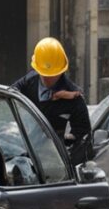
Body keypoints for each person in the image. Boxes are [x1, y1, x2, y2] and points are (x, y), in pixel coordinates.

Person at [11, 37, 92, 165]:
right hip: (22, 151)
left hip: (52, 161)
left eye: (53, 75)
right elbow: (10, 95)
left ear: (62, 70)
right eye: (45, 74)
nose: (49, 79)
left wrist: (68, 160)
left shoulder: (74, 97)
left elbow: (83, 135)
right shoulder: (28, 82)